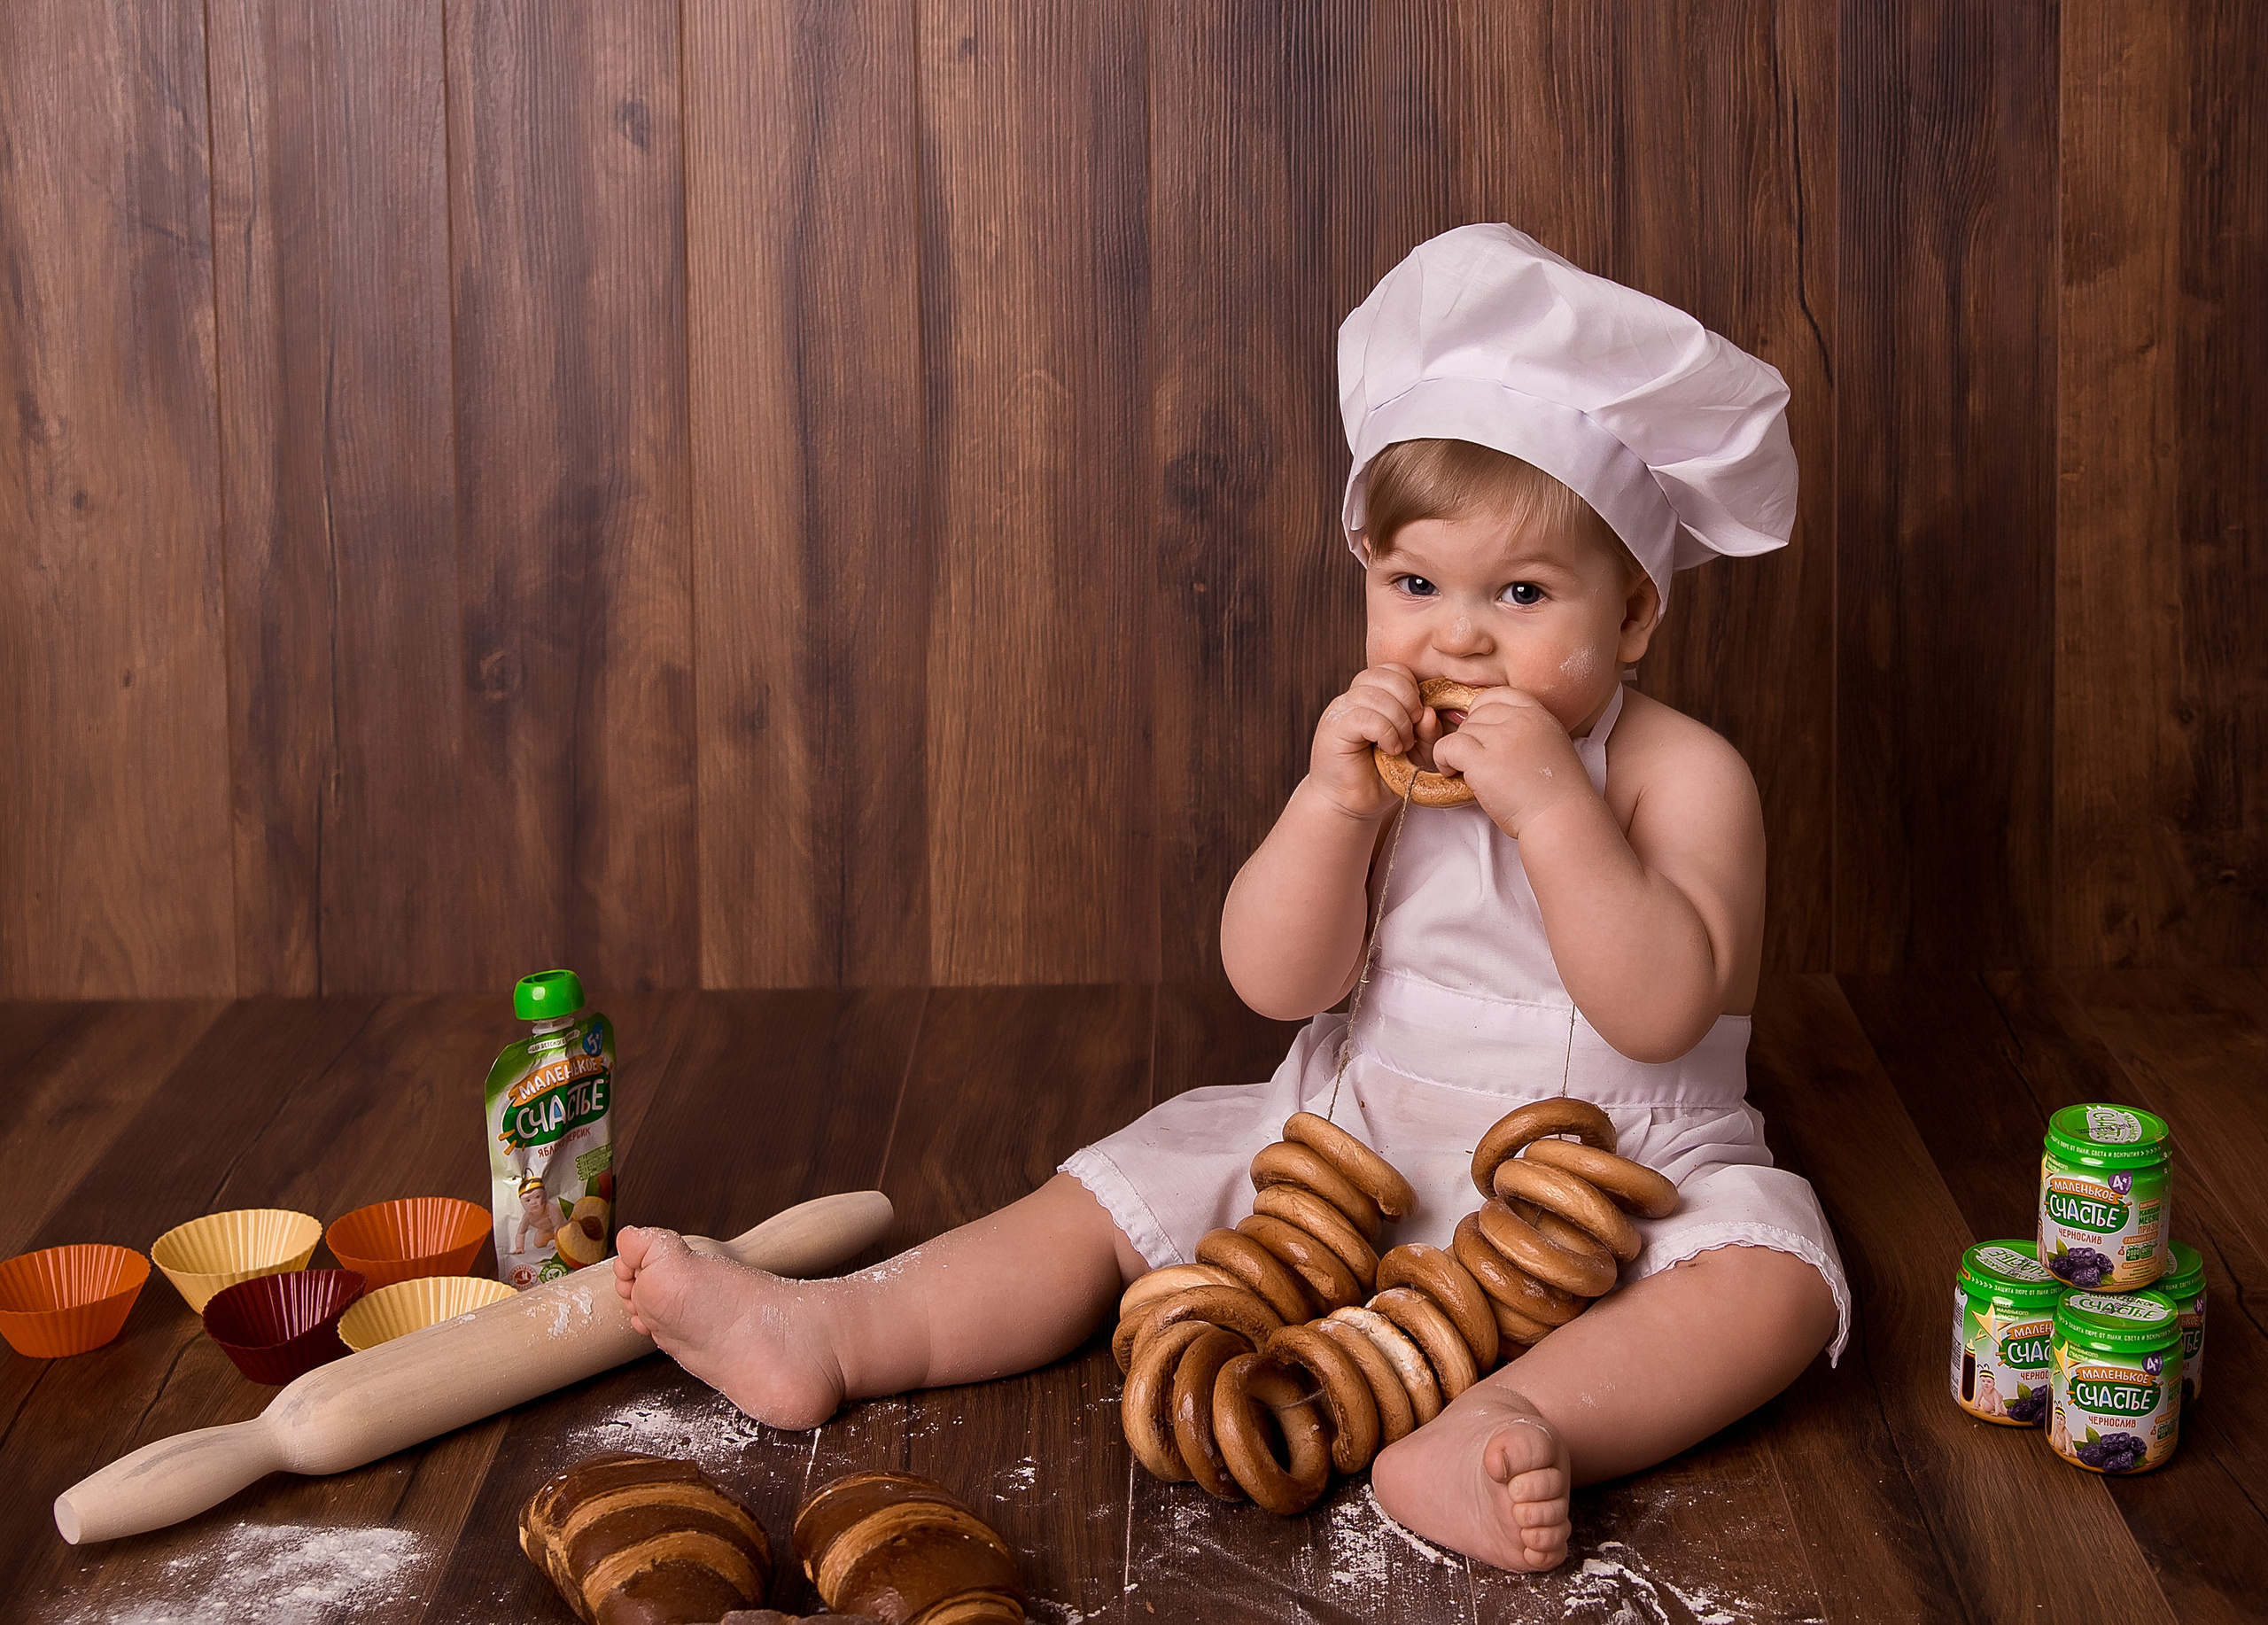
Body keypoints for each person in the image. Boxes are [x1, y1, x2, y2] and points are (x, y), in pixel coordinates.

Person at [612, 224, 1849, 1574]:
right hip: (1358, 1144)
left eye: (1523, 593)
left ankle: (1507, 1424)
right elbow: (1276, 981)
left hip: (1613, 1169)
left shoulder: (1684, 776)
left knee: (1771, 1288)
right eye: (1414, 584)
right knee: (1114, 1190)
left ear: (1634, 616)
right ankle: (841, 1329)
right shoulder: (1383, 764)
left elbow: (1661, 1011)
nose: (1459, 635)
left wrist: (1557, 811)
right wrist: (1332, 807)